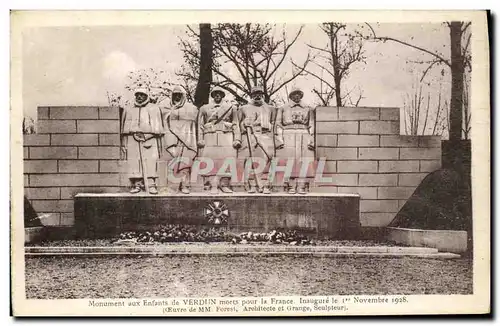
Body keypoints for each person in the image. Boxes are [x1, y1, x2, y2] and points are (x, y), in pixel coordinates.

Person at [120, 87, 164, 194]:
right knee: (134, 162)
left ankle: (151, 184)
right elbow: (124, 128)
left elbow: (158, 129)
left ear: (146, 96)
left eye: (142, 94)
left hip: (149, 138)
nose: (139, 97)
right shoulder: (128, 108)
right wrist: (124, 142)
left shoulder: (154, 108)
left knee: (150, 161)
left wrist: (147, 136)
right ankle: (137, 184)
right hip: (132, 138)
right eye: (137, 95)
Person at [197, 87, 241, 193]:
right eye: (215, 93)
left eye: (219, 93)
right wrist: (200, 139)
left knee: (226, 160)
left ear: (222, 95)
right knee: (211, 160)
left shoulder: (231, 107)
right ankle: (213, 185)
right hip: (210, 136)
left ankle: (224, 184)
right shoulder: (204, 108)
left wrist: (237, 139)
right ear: (212, 95)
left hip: (226, 135)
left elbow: (235, 123)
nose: (217, 95)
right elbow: (200, 125)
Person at [237, 86, 278, 194]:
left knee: (267, 160)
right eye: (255, 94)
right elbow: (237, 124)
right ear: (251, 95)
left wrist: (276, 138)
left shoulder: (271, 108)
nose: (257, 96)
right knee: (250, 161)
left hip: (266, 135)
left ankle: (265, 185)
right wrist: (243, 124)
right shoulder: (243, 108)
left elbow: (274, 124)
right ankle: (252, 185)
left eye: (260, 94)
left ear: (263, 95)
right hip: (250, 135)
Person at [276, 87, 316, 194]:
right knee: (290, 160)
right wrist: (279, 139)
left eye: (299, 94)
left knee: (304, 160)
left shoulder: (308, 108)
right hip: (288, 134)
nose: (297, 96)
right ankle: (290, 185)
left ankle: (302, 185)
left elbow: (312, 124)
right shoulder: (283, 108)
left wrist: (312, 139)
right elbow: (278, 124)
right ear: (291, 96)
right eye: (295, 94)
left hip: (303, 133)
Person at [162, 86, 198, 194]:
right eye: (175, 95)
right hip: (172, 140)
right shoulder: (166, 108)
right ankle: (172, 186)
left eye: (179, 95)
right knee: (172, 162)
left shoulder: (191, 108)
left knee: (185, 163)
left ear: (183, 96)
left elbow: (193, 122)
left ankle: (184, 185)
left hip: (187, 140)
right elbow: (163, 122)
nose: (177, 97)